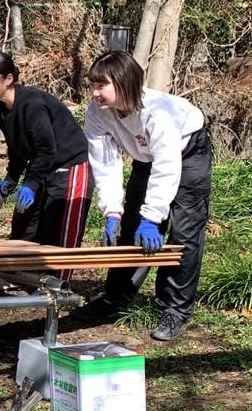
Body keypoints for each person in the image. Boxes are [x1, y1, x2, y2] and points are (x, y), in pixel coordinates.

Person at [73, 50, 212, 342]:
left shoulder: (158, 113)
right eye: (92, 85)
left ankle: (174, 309)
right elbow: (105, 161)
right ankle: (116, 298)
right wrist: (111, 210)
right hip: (146, 157)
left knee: (183, 232)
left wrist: (154, 217)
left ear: (123, 83)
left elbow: (168, 166)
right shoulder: (97, 111)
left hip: (187, 152)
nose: (95, 92)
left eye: (102, 86)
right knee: (132, 225)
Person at [0, 52, 93, 281]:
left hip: (69, 165)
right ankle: (19, 273)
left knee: (57, 226)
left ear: (8, 79)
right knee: (24, 220)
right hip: (42, 164)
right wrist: (12, 177)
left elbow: (47, 150)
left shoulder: (33, 104)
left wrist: (30, 183)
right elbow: (18, 147)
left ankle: (59, 283)